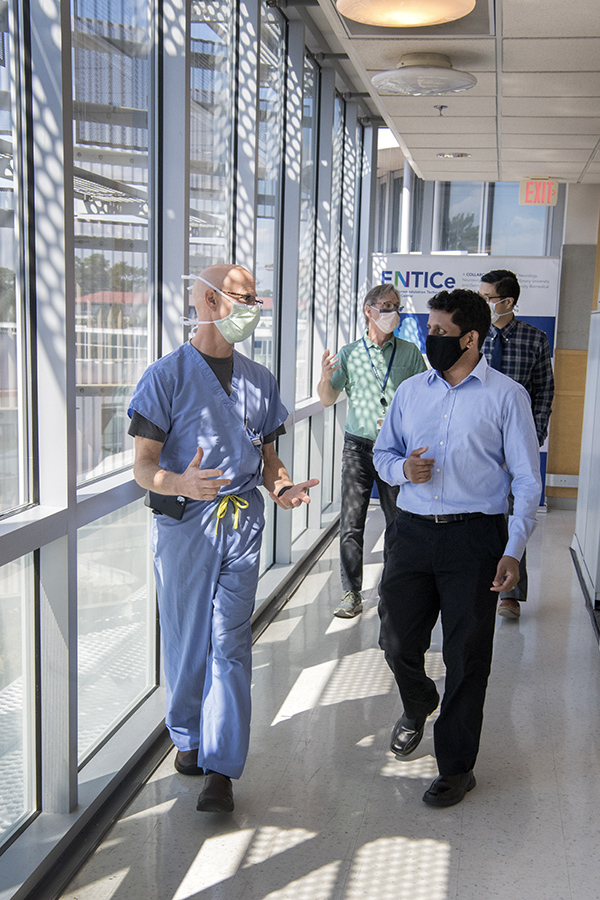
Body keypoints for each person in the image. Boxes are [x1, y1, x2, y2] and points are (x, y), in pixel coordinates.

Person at [128, 264, 318, 813]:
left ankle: (221, 765)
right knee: (188, 641)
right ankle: (186, 735)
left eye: (256, 298)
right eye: (242, 297)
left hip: (242, 524)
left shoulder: (260, 379)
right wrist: (178, 481)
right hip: (186, 526)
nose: (252, 307)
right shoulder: (166, 376)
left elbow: (265, 454)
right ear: (209, 302)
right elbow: (142, 466)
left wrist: (280, 485)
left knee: (231, 643)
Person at [373, 289, 541, 807]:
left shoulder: (507, 396)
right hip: (413, 531)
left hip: (475, 537)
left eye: (442, 333)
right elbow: (384, 453)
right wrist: (404, 470)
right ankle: (419, 699)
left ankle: (456, 768)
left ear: (471, 337)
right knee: (396, 640)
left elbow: (527, 481)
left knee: (467, 655)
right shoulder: (410, 392)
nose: (431, 340)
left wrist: (513, 549)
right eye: (429, 330)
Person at [318, 284, 426, 618]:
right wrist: (325, 376)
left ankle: (391, 590)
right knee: (352, 522)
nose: (393, 312)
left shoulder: (409, 353)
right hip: (358, 448)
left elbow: (424, 401)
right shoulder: (349, 354)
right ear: (369, 310)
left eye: (397, 306)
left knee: (398, 523)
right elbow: (326, 398)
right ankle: (351, 592)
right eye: (386, 306)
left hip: (395, 451)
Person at [479, 268, 554, 619]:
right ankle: (479, 583)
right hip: (478, 443)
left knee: (516, 517)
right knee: (480, 516)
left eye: (487, 298)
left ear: (507, 302)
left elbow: (544, 393)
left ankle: (510, 594)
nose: (483, 303)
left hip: (517, 445)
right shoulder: (473, 337)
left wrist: (531, 440)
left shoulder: (535, 339)